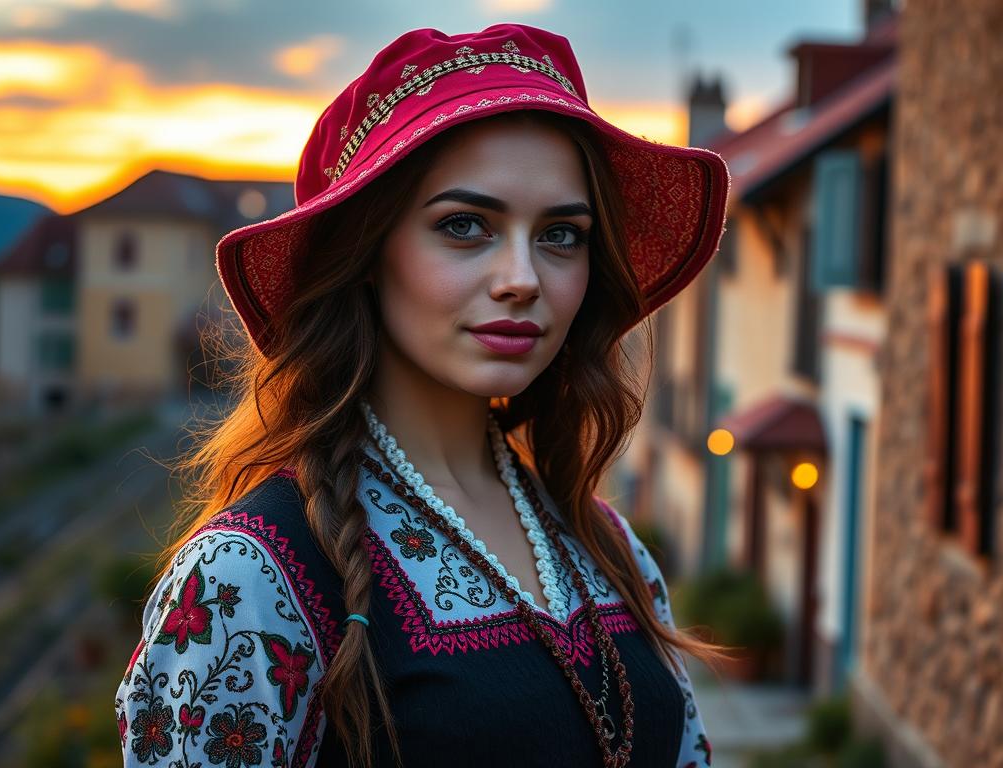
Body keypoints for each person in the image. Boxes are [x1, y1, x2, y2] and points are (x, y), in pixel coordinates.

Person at [115, 22, 730, 768]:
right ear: (367, 254)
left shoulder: (610, 549)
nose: (523, 278)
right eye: (465, 226)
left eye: (561, 234)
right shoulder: (248, 578)